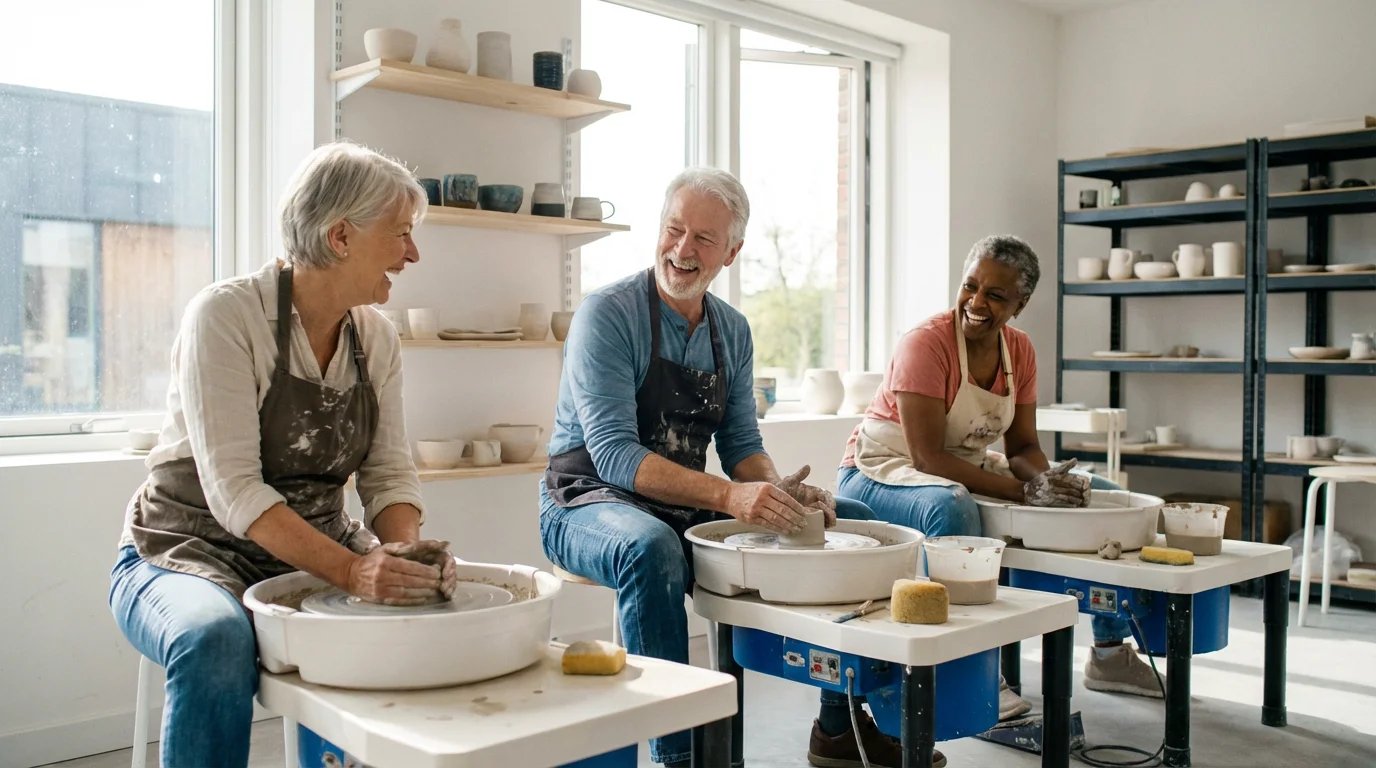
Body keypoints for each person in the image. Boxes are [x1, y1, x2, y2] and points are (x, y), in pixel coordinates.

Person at [540, 167, 940, 768]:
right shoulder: (608, 314)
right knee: (652, 549)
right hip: (586, 500)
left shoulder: (732, 331)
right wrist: (733, 500)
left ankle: (838, 725)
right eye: (674, 229)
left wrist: (780, 492)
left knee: (846, 520)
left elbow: (740, 443)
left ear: (733, 250)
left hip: (680, 501)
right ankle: (681, 756)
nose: (682, 250)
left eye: (703, 238)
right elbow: (616, 455)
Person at [109, 141, 458, 767]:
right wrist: (354, 572)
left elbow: (387, 473)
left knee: (428, 611)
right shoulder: (225, 315)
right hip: (187, 549)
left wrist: (401, 554)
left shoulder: (374, 335)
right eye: (401, 234)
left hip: (312, 540)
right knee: (215, 639)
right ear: (341, 236)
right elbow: (236, 492)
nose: (413, 254)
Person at [836, 234, 1163, 716]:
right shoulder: (926, 344)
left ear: (1020, 304)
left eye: (995, 295)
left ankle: (1111, 652)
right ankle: (968, 673)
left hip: (961, 467)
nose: (976, 302)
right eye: (970, 286)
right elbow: (927, 458)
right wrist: (1023, 491)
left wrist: (1050, 483)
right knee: (950, 506)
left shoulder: (1020, 351)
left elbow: (1025, 448)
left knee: (1099, 495)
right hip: (881, 469)